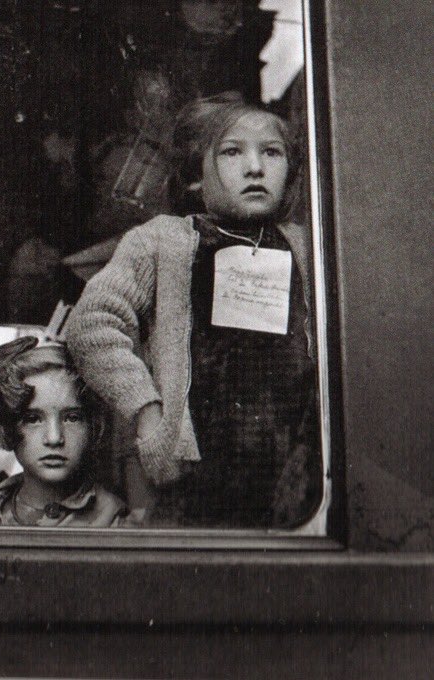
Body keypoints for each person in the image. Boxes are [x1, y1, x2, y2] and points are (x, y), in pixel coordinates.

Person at [64, 92, 321, 527]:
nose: (254, 167)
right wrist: (148, 415)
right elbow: (92, 325)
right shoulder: (164, 242)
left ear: (291, 172)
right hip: (191, 483)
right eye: (232, 151)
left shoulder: (308, 248)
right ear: (196, 176)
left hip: (294, 480)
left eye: (272, 153)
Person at [0, 336, 129, 527]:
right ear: (8, 426)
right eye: (33, 419)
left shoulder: (115, 520)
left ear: (93, 426)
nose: (54, 438)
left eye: (72, 418)